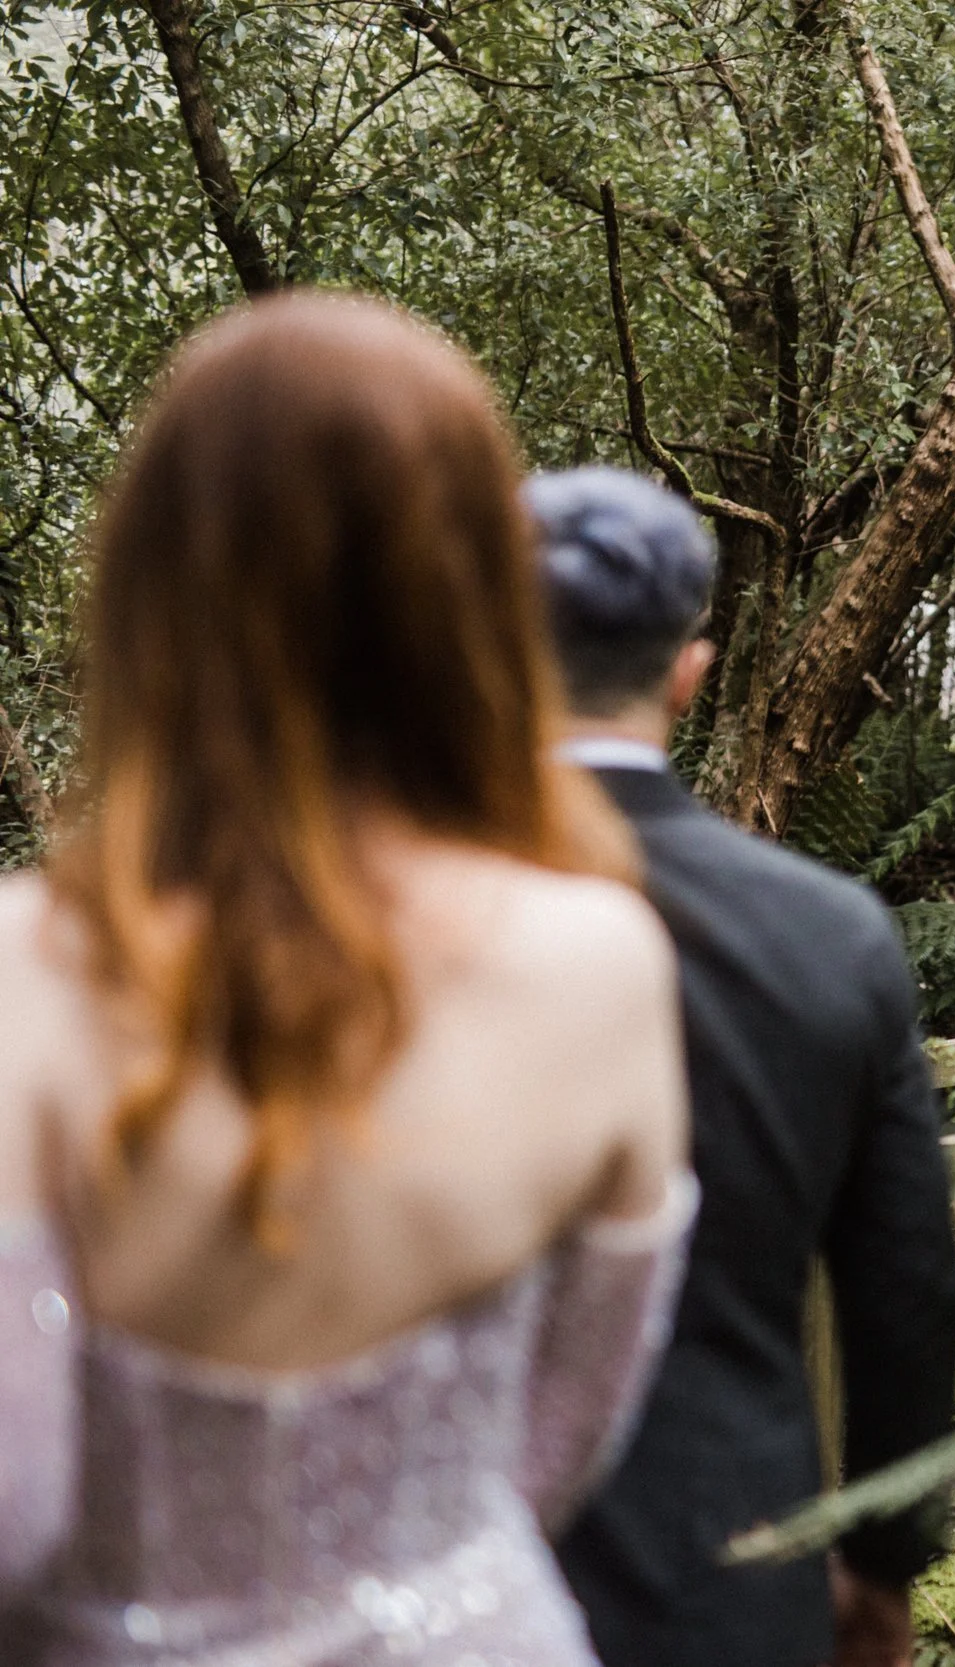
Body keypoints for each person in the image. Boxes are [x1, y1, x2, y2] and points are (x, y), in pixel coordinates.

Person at [0, 293, 695, 1664]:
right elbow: (557, 1446)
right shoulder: (604, 959)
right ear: (475, 596)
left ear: (149, 587)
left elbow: (18, 1504)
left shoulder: (26, 967)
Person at [526, 468, 955, 1667]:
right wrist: (881, 1560)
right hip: (736, 1553)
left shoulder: (387, 923)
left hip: (450, 1562)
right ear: (688, 671)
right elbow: (907, 1291)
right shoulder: (828, 934)